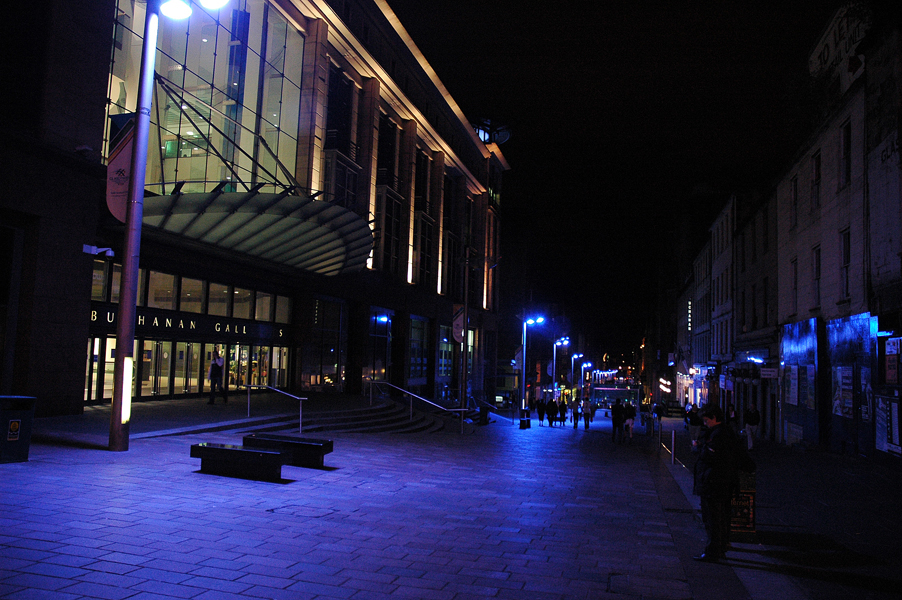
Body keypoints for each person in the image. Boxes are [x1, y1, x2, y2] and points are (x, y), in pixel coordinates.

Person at [693, 404, 740, 563]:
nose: (705, 423)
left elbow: (712, 456)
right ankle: (719, 547)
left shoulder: (720, 435)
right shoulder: (723, 432)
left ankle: (714, 550)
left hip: (714, 482)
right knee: (718, 517)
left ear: (714, 418)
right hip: (717, 482)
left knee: (712, 518)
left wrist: (701, 448)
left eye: (706, 420)